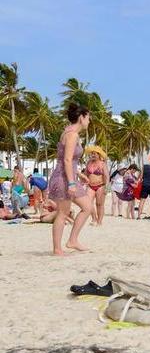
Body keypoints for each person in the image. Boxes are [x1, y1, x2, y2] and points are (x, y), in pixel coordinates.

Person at [47, 103, 94, 255]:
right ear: (81, 117)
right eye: (88, 117)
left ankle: (72, 240)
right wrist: (72, 182)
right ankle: (57, 249)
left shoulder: (68, 132)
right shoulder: (72, 135)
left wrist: (79, 174)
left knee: (87, 207)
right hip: (64, 179)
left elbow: (66, 160)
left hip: (68, 175)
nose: (89, 121)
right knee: (63, 213)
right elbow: (67, 160)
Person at [83, 146, 109, 226]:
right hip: (90, 186)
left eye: (94, 154)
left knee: (99, 204)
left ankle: (99, 221)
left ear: (98, 155)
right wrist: (82, 182)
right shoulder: (88, 163)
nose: (92, 155)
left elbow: (106, 176)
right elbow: (85, 174)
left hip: (100, 185)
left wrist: (106, 187)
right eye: (91, 153)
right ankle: (94, 218)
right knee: (88, 203)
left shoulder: (102, 164)